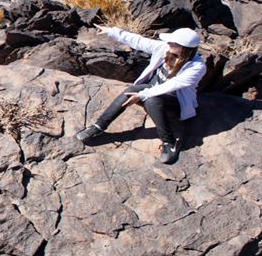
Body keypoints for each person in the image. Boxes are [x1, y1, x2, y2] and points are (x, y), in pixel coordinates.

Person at [75, 25, 206, 165]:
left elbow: (172, 85)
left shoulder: (197, 67)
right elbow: (139, 41)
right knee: (133, 90)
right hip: (152, 90)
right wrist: (113, 32)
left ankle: (169, 142)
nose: (168, 43)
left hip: (175, 103)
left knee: (151, 101)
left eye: (173, 43)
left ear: (184, 48)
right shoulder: (165, 49)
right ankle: (99, 126)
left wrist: (143, 95)